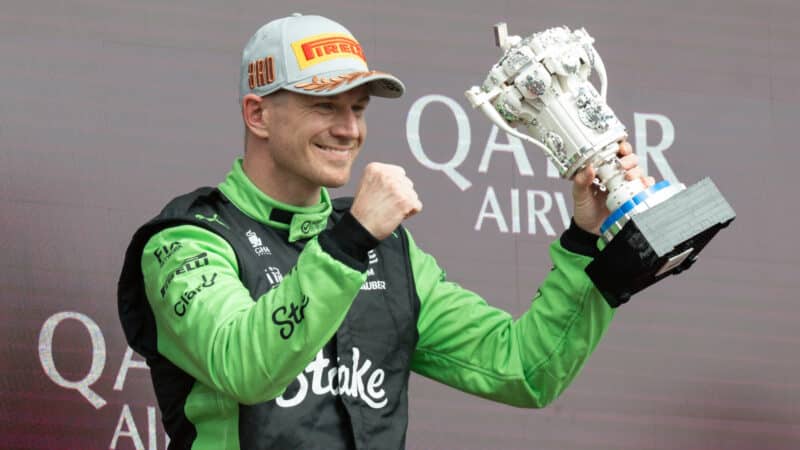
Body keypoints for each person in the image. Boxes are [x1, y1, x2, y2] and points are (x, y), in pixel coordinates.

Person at [118, 13, 652, 450]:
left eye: (358, 108)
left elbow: (521, 368)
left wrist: (587, 244)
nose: (349, 128)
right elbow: (245, 368)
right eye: (324, 106)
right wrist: (349, 242)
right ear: (258, 115)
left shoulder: (386, 247)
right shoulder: (187, 241)